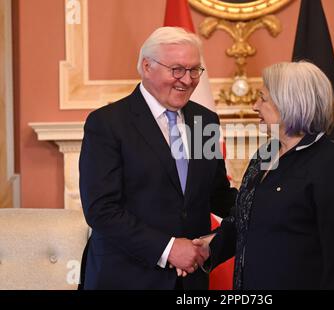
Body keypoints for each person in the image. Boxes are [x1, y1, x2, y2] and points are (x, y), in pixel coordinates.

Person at [78, 27, 237, 290]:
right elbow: (101, 210)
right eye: (177, 69)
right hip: (125, 277)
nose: (187, 80)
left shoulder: (204, 121)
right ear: (146, 66)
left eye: (194, 70)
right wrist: (168, 248)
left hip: (190, 282)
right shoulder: (107, 123)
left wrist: (262, 205)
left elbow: (216, 194)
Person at [200, 61, 334, 289]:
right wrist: (206, 249)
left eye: (263, 98)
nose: (255, 105)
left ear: (290, 102)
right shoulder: (265, 154)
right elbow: (244, 220)